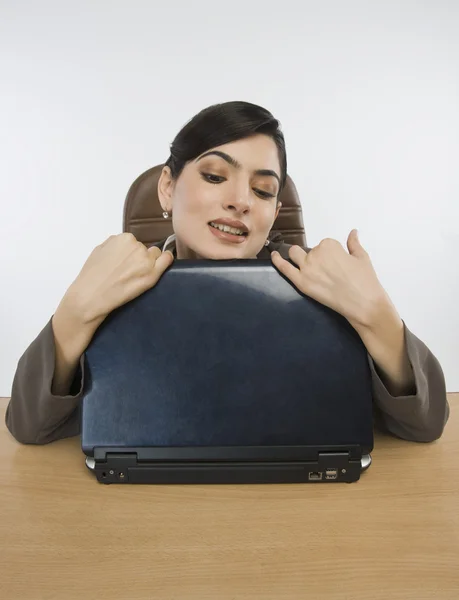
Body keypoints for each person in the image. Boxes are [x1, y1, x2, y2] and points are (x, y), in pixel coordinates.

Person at [5, 101, 449, 445]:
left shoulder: (319, 281)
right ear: (167, 187)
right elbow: (30, 427)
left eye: (263, 189)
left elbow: (424, 425)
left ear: (275, 213)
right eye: (215, 176)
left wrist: (377, 314)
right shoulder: (115, 279)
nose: (241, 200)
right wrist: (77, 309)